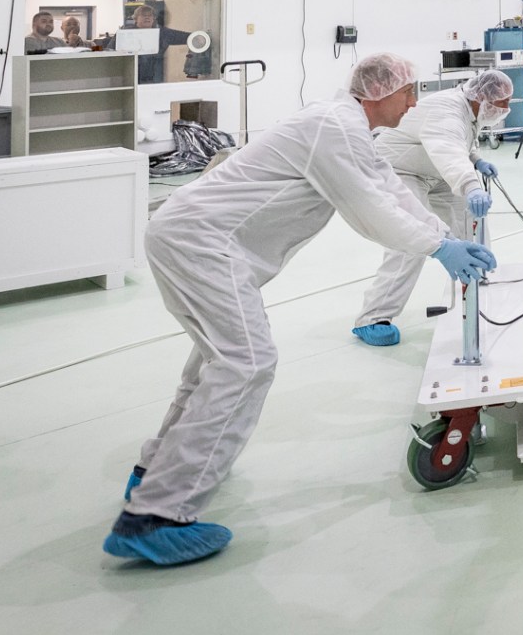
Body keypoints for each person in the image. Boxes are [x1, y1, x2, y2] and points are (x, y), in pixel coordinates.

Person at [102, 53, 496, 567]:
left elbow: (390, 188)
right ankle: (155, 515)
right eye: (408, 93)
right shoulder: (333, 127)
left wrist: (445, 235)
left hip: (196, 239)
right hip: (202, 243)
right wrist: (438, 249)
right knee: (246, 363)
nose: (413, 102)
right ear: (379, 92)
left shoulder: (349, 130)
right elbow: (369, 208)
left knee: (214, 364)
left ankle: (155, 471)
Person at [351, 68, 514, 346]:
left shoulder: (466, 107)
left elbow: (462, 141)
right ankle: (373, 317)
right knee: (411, 239)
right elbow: (448, 149)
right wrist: (470, 183)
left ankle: (477, 279)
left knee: (468, 219)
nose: (506, 109)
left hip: (432, 171)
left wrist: (475, 160)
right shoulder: (448, 111)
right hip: (401, 170)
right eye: (503, 104)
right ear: (484, 99)